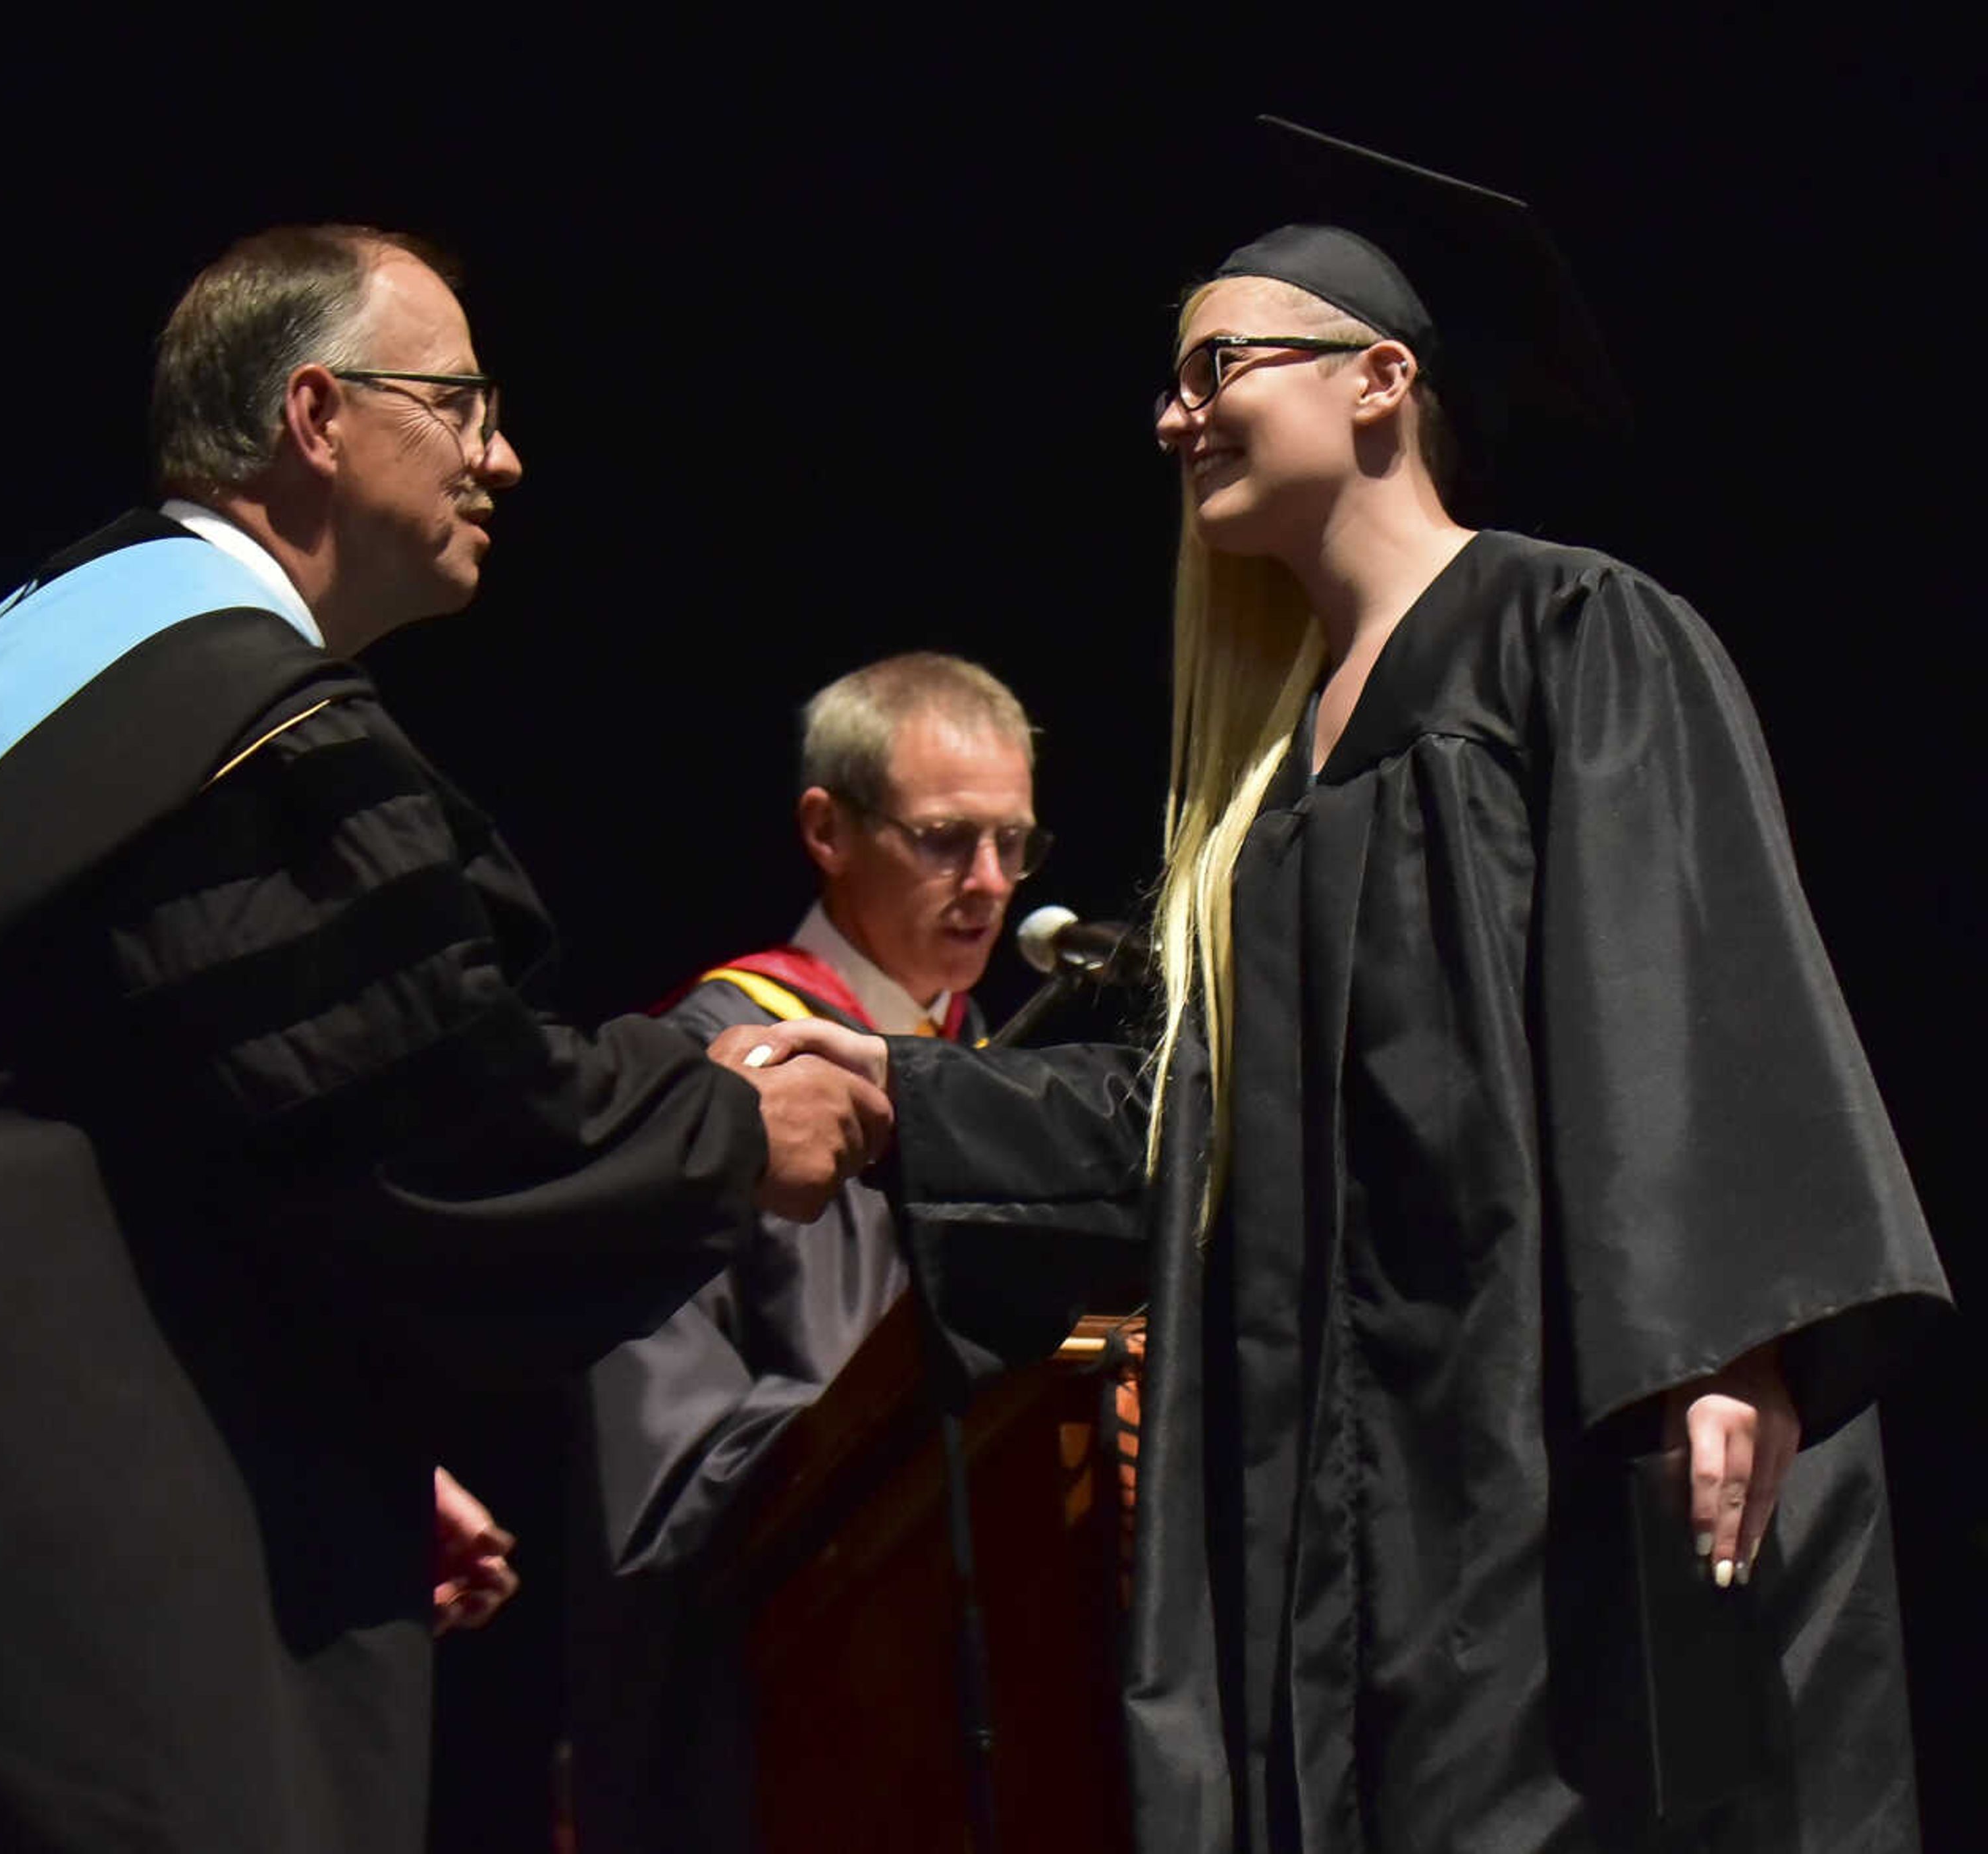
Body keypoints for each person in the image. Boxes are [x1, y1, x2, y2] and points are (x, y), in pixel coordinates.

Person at [0, 224, 888, 1853]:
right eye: (462, 402)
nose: (505, 453)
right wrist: (712, 1130)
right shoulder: (224, 717)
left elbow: (151, 1137)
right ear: (317, 414)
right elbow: (428, 1122)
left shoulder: (66, 666)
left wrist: (298, 1441)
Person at [730, 125, 1950, 1851]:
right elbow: (1200, 1127)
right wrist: (896, 1097)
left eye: (1215, 368)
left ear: (1380, 381)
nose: (1173, 419)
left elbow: (1698, 995)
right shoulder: (1277, 789)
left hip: (1563, 1447)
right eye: (1168, 387)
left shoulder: (1568, 635)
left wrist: (1732, 1342)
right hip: (1368, 1504)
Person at [569, 652, 1046, 1854]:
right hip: (785, 1712)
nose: (989, 885)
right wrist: (912, 1456)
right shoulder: (716, 1070)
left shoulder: (998, 1075)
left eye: (1013, 843)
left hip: (981, 1702)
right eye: (946, 840)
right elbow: (657, 1454)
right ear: (827, 830)